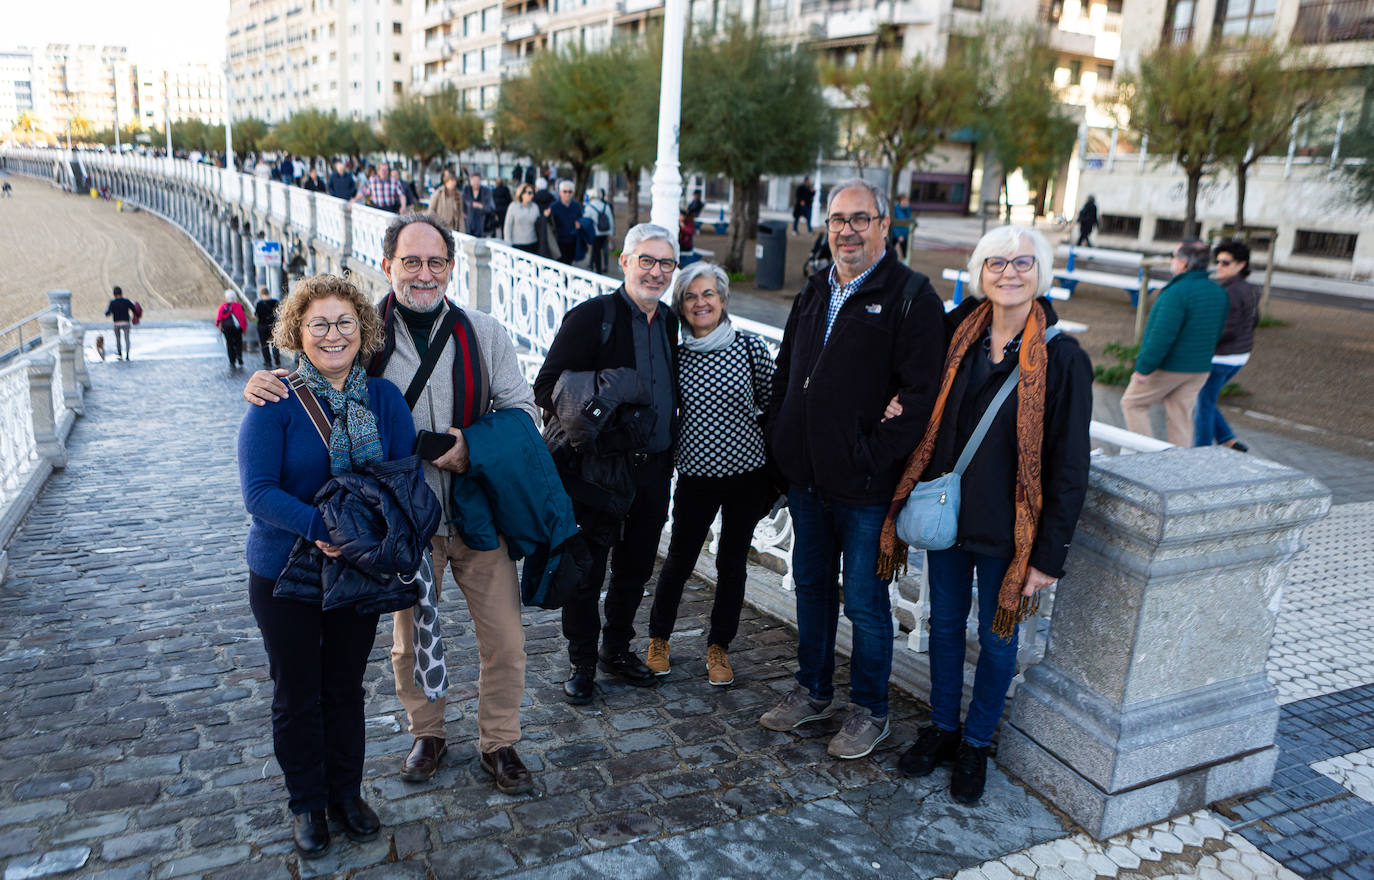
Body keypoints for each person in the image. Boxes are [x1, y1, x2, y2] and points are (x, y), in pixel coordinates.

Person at [243, 213, 540, 797]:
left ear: (451, 268)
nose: (423, 273)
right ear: (388, 266)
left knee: (505, 639)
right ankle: (426, 732)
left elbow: (525, 413)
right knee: (410, 639)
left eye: (435, 262)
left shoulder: (486, 333)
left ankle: (500, 742)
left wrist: (471, 446)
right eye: (411, 261)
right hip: (398, 524)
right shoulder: (365, 334)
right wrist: (265, 379)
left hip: (478, 511)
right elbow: (317, 373)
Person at [878, 225, 1093, 805]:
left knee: (998, 645)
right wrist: (896, 401)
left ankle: (976, 742)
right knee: (943, 629)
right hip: (948, 522)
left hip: (1011, 534)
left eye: (1024, 262)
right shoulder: (957, 336)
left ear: (1041, 274)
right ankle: (944, 729)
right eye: (996, 262)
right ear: (979, 272)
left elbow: (1071, 464)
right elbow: (912, 383)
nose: (1009, 273)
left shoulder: (1064, 358)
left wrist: (1049, 556)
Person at [759, 178, 945, 760]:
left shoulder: (912, 296)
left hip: (865, 488)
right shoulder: (816, 289)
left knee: (865, 602)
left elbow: (920, 398)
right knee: (812, 588)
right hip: (808, 482)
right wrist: (782, 437)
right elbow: (788, 372)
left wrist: (870, 455)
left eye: (860, 219)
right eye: (838, 220)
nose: (847, 230)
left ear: (884, 226)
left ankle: (870, 708)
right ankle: (812, 690)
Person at [237, 274, 415, 859]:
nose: (333, 335)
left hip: (355, 572)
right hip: (286, 569)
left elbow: (401, 479)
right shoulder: (274, 401)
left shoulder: (384, 399)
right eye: (319, 324)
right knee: (296, 691)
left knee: (343, 687)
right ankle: (306, 803)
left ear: (363, 329)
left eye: (344, 323)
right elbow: (259, 493)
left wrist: (371, 537)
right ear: (298, 331)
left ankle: (346, 792)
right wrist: (325, 529)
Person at [534, 224, 681, 705]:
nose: (656, 272)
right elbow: (546, 388)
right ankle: (581, 662)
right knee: (588, 571)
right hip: (596, 473)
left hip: (654, 468)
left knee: (636, 566)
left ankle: (616, 650)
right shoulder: (592, 317)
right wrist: (607, 430)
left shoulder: (671, 322)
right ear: (624, 261)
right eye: (647, 260)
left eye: (665, 264)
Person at [645, 262, 773, 686]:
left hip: (746, 477)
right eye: (690, 296)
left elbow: (775, 408)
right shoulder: (674, 356)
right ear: (681, 307)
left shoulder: (750, 348)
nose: (701, 303)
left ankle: (719, 646)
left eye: (708, 294)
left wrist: (778, 477)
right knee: (679, 561)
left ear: (722, 300)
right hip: (696, 477)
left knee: (732, 565)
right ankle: (658, 638)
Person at [1120, 238, 1229, 447]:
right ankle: (1177, 466)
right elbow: (1217, 332)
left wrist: (1143, 368)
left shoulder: (1176, 293)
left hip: (1170, 367)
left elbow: (1161, 336)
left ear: (1183, 264)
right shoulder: (1218, 291)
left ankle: (1146, 457)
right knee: (1180, 415)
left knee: (1133, 404)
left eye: (1174, 257)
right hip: (1200, 368)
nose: (1171, 261)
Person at [1195, 239, 1260, 452]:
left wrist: (1200, 343)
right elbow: (1254, 320)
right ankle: (1227, 439)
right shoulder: (1249, 289)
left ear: (1241, 265)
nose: (1219, 266)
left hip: (1221, 358)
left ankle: (1201, 451)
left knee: (1204, 403)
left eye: (1225, 262)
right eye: (1218, 261)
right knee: (1208, 399)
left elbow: (1226, 330)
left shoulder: (1228, 292)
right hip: (1240, 356)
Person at [548, 180, 583, 266]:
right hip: (558, 242)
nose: (567, 194)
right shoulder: (554, 206)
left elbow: (580, 218)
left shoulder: (576, 206)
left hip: (572, 241)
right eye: (565, 191)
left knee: (569, 264)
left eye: (570, 192)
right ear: (560, 192)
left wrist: (579, 224)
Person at [583, 188, 615, 275]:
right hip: (605, 232)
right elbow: (611, 220)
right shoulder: (606, 206)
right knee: (601, 250)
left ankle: (598, 270)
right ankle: (598, 267)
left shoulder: (589, 207)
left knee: (596, 251)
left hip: (595, 233)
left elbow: (585, 220)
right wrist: (610, 233)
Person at [503, 183, 540, 254]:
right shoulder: (513, 206)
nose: (532, 195)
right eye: (529, 193)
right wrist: (508, 244)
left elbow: (539, 225)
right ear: (522, 194)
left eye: (533, 193)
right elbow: (508, 226)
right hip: (517, 245)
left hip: (532, 244)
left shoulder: (535, 207)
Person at [217, 290, 248, 369]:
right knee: (238, 343)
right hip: (237, 328)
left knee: (229, 344)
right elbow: (242, 318)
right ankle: (239, 356)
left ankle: (232, 361)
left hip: (227, 328)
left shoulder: (223, 307)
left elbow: (219, 319)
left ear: (226, 298)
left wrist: (220, 329)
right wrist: (244, 329)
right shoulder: (238, 306)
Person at [104, 285, 136, 361]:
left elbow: (108, 313)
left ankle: (120, 353)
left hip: (117, 323)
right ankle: (127, 354)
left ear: (114, 294)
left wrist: (107, 311)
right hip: (126, 322)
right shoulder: (126, 301)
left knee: (118, 339)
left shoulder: (112, 302)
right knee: (127, 339)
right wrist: (132, 317)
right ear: (121, 293)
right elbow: (134, 309)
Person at [461, 172, 495, 238]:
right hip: (468, 227)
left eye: (477, 180)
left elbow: (491, 208)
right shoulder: (466, 191)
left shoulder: (486, 192)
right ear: (470, 181)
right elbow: (461, 206)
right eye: (473, 180)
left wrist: (480, 206)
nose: (475, 182)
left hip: (483, 227)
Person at [255, 285, 282, 369]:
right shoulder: (275, 301)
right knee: (274, 344)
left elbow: (257, 316)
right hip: (273, 325)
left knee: (264, 345)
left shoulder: (259, 304)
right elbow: (279, 314)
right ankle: (277, 360)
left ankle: (268, 362)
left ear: (261, 293)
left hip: (262, 326)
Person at [891, 194, 913, 262]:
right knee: (890, 250)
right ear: (900, 201)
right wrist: (898, 235)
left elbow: (909, 220)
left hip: (905, 235)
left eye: (906, 201)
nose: (905, 202)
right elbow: (894, 224)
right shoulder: (896, 210)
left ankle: (905, 262)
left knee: (905, 252)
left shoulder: (907, 210)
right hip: (896, 234)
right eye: (904, 200)